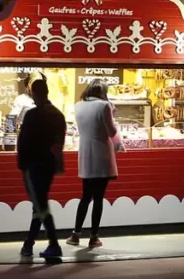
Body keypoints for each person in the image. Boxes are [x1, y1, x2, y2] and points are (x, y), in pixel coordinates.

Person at [17, 77, 67, 260]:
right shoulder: (58, 115)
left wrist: (22, 165)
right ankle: (28, 243)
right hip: (49, 166)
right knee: (39, 204)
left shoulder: (33, 115)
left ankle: (53, 244)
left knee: (41, 205)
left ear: (34, 93)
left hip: (33, 165)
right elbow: (59, 143)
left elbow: (23, 143)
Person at [67, 80, 118, 249]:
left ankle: (75, 234)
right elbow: (111, 132)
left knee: (85, 196)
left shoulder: (78, 105)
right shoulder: (104, 106)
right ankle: (94, 236)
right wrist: (113, 114)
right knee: (98, 198)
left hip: (85, 154)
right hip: (101, 155)